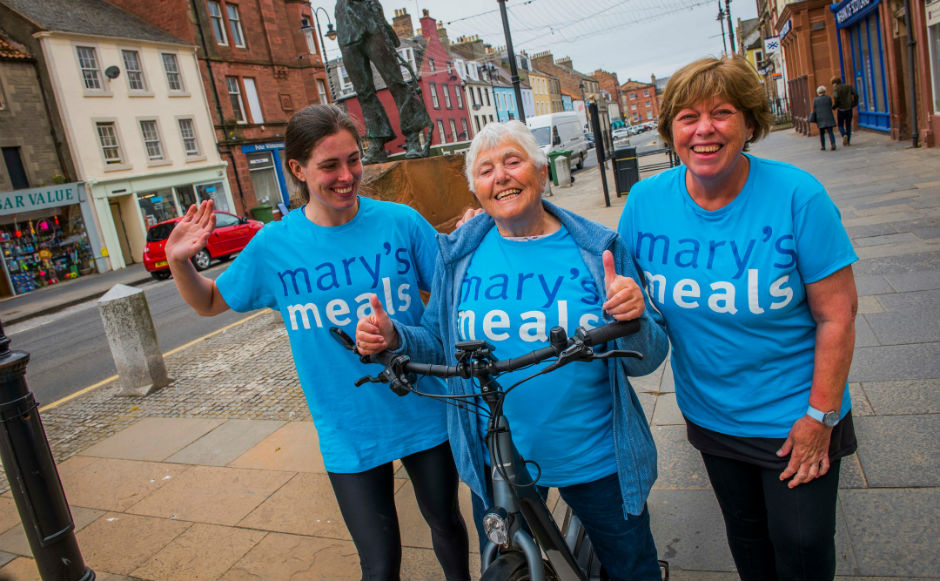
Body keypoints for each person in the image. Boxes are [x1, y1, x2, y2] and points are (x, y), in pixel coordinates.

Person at [164, 104, 469, 581]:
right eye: (329, 165)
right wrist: (180, 262)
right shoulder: (273, 245)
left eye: (353, 160)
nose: (346, 176)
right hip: (347, 426)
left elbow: (454, 288)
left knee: (447, 525)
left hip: (421, 407)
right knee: (380, 562)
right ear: (297, 169)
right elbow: (209, 302)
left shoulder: (399, 222)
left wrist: (474, 235)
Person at [356, 120, 669, 581]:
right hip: (498, 461)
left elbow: (652, 356)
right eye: (485, 170)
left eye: (512, 161)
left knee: (631, 568)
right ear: (475, 190)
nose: (500, 176)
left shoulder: (597, 249)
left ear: (542, 173)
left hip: (596, 456)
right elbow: (439, 342)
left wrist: (633, 318)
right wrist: (395, 337)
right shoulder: (458, 257)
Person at [618, 56, 858, 581]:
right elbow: (603, 269)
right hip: (712, 414)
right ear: (671, 131)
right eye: (687, 116)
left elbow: (837, 316)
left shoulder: (798, 195)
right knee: (747, 539)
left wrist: (819, 418)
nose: (704, 129)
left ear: (749, 123)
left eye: (721, 113)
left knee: (802, 545)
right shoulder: (645, 201)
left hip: (798, 414)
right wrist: (493, 225)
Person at [335, 0, 431, 162]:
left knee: (395, 83)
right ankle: (377, 142)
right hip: (345, 25)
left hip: (370, 19)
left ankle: (412, 137)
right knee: (363, 92)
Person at [832, 77, 858, 146]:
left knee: (840, 124)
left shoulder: (836, 89)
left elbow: (836, 97)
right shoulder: (848, 86)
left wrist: (835, 106)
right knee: (848, 125)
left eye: (833, 84)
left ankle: (844, 134)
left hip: (841, 109)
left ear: (835, 83)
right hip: (849, 109)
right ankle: (848, 141)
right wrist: (854, 103)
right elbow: (855, 94)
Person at [811, 85, 837, 151]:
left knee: (821, 133)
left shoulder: (815, 100)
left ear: (818, 92)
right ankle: (833, 144)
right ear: (824, 91)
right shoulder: (828, 98)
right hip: (828, 117)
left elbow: (814, 109)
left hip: (820, 118)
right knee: (830, 132)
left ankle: (823, 146)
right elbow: (830, 105)